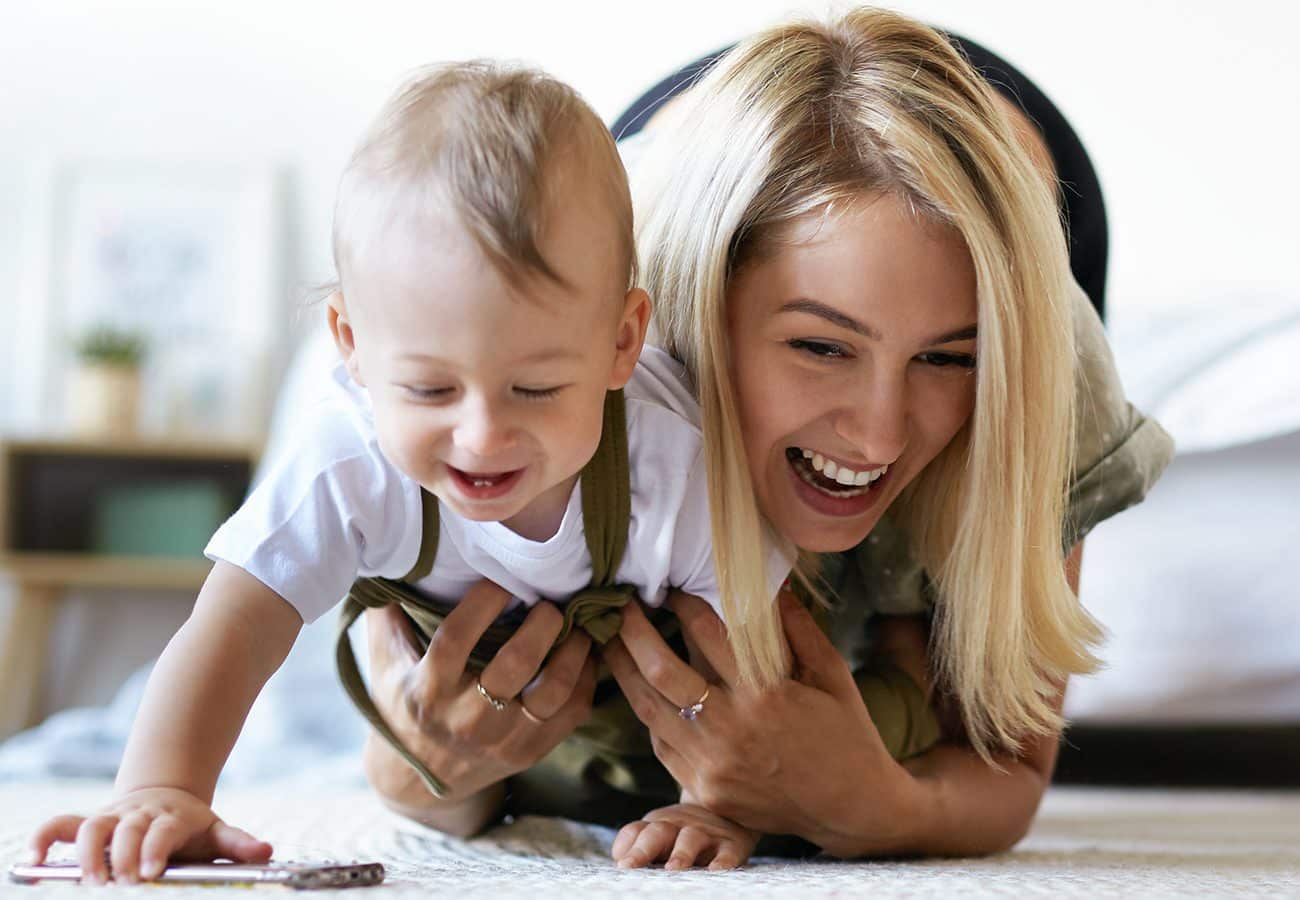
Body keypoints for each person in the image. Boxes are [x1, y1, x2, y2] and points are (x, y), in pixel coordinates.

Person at [357, 7, 1175, 870]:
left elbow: (1004, 769)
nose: (878, 431)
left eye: (945, 357)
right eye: (822, 346)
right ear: (672, 323)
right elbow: (407, 748)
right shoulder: (579, 336)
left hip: (1010, 149)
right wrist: (419, 770)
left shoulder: (1044, 354)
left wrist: (879, 806)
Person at [25, 60, 794, 884]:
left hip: (641, 709)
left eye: (536, 387)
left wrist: (717, 804)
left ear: (621, 341)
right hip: (444, 711)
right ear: (352, 346)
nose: (481, 434)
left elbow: (751, 656)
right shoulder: (347, 459)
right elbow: (234, 628)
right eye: (430, 388)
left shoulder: (670, 463)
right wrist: (162, 787)